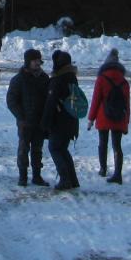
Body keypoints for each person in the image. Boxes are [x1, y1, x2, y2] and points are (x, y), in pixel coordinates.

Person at [6, 48, 49, 186]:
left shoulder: (44, 78)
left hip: (40, 121)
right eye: (35, 61)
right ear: (28, 62)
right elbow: (11, 101)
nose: (38, 63)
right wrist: (21, 116)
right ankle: (22, 176)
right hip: (25, 122)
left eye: (39, 61)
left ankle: (37, 176)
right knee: (23, 149)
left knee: (38, 150)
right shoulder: (19, 79)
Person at [87, 47, 131, 184]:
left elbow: (96, 100)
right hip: (119, 117)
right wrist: (126, 122)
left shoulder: (101, 79)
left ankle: (103, 169)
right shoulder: (124, 82)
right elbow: (127, 104)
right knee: (117, 145)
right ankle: (118, 175)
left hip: (103, 117)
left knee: (103, 143)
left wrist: (90, 119)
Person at [42, 49, 81, 190]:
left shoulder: (57, 80)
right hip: (71, 121)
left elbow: (50, 103)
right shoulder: (72, 78)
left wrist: (44, 124)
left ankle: (65, 179)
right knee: (63, 149)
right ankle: (72, 180)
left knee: (54, 148)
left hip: (59, 122)